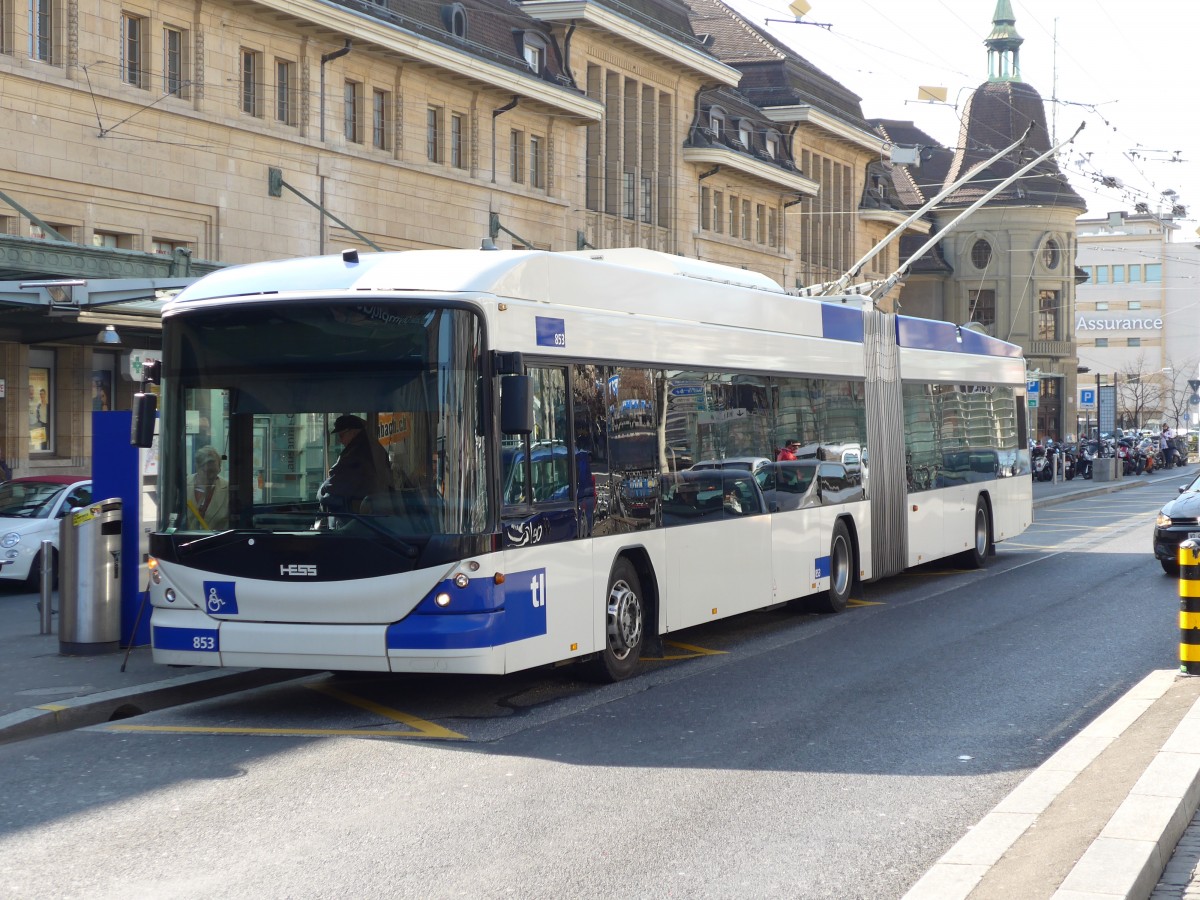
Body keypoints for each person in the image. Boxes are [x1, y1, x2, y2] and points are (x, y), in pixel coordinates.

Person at [321, 414, 393, 514]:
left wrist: (323, 489)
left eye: (341, 436)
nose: (340, 441)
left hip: (360, 513)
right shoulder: (369, 446)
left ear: (353, 432)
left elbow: (338, 484)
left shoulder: (358, 453)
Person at [186, 445, 229, 530]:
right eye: (206, 471)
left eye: (214, 471)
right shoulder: (184, 485)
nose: (210, 476)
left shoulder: (228, 489)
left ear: (219, 469)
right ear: (197, 468)